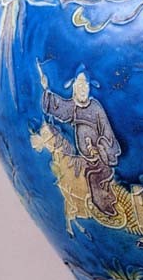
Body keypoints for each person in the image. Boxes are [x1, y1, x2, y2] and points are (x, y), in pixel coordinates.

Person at [40, 65, 121, 217]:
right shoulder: (74, 107)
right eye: (80, 86)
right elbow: (60, 107)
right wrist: (46, 90)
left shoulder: (96, 108)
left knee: (94, 177)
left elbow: (107, 132)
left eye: (85, 87)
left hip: (99, 158)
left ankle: (104, 206)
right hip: (84, 158)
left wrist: (100, 148)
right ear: (74, 88)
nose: (83, 90)